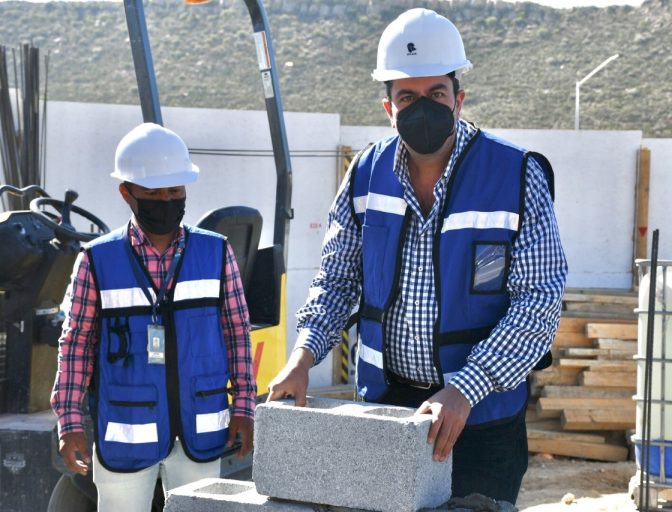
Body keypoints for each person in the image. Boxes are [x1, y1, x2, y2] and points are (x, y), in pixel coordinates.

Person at [267, 7, 567, 504]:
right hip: (389, 413)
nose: (421, 107)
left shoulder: (515, 175)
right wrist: (303, 356)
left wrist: (465, 388)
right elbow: (336, 281)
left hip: (482, 420)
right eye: (407, 96)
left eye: (436, 94)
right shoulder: (365, 174)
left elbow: (537, 303)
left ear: (459, 99)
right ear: (388, 107)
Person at [51, 123, 256, 511]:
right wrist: (70, 421)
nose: (166, 200)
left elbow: (237, 334)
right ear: (126, 193)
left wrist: (244, 406)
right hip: (125, 436)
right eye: (153, 192)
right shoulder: (96, 261)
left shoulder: (216, 253)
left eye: (175, 191)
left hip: (200, 430)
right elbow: (75, 345)